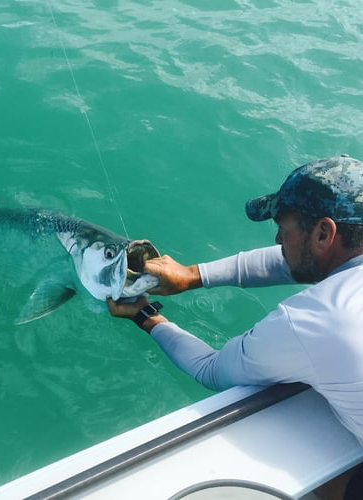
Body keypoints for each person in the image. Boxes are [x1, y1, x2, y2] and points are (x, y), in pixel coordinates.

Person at [107, 155, 363, 498]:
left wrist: (145, 315)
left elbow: (210, 369)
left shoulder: (315, 320)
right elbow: (297, 262)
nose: (276, 240)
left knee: (309, 458)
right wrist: (192, 275)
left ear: (323, 232)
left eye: (282, 228)